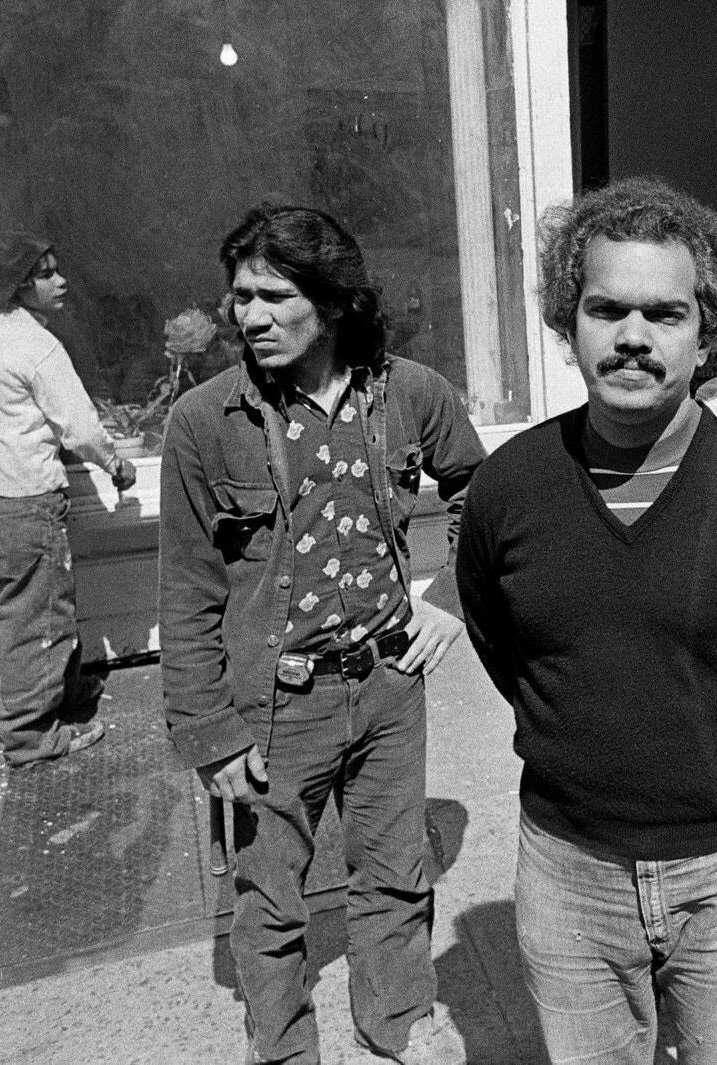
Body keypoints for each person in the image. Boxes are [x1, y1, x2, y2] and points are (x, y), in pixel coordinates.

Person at [454, 176, 717, 1065]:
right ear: (569, 321)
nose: (633, 337)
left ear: (707, 333)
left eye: (665, 315)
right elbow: (502, 641)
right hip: (569, 869)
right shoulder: (508, 487)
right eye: (607, 309)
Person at [160, 206, 478, 1065]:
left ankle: (398, 1025)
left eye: (273, 296)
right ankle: (285, 1046)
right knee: (269, 896)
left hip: (386, 682)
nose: (248, 316)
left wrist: (446, 592)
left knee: (396, 869)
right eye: (239, 297)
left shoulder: (410, 392)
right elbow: (186, 588)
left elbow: (479, 489)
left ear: (334, 302)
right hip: (272, 702)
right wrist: (208, 733)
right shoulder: (203, 421)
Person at [0, 233, 135, 766]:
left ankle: (64, 695)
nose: (60, 281)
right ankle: (28, 736)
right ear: (17, 288)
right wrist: (116, 465)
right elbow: (81, 427)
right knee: (38, 615)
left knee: (32, 604)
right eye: (45, 274)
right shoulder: (35, 345)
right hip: (27, 501)